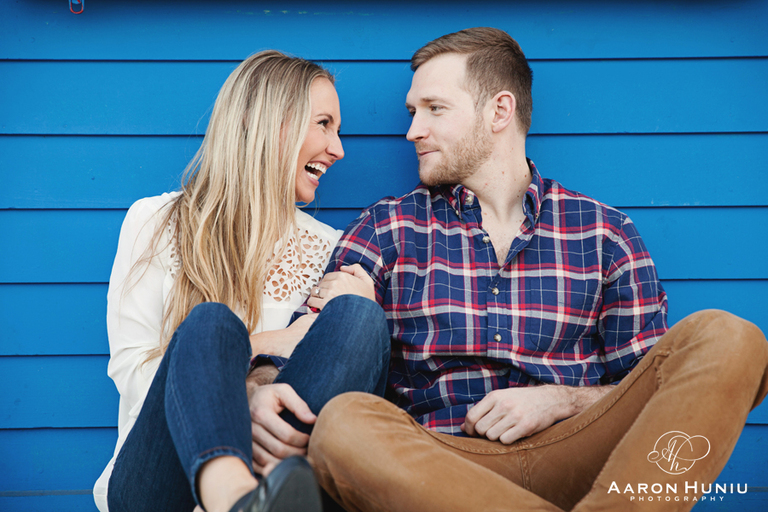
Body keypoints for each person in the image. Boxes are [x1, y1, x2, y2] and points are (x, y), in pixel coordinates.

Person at [304, 28, 768, 511]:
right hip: (439, 464)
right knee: (342, 424)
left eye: (434, 109)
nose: (413, 130)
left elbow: (651, 386)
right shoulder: (388, 227)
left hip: (583, 457)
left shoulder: (603, 233)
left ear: (500, 111)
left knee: (730, 337)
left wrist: (561, 400)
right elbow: (313, 354)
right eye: (412, 112)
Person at [93, 50, 389, 512]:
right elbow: (134, 375)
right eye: (324, 124)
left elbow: (323, 379)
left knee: (359, 316)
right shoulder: (155, 221)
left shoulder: (330, 246)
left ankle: (266, 499)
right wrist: (253, 376)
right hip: (158, 485)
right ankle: (233, 499)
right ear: (266, 123)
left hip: (278, 464)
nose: (338, 148)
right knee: (211, 323)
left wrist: (363, 303)